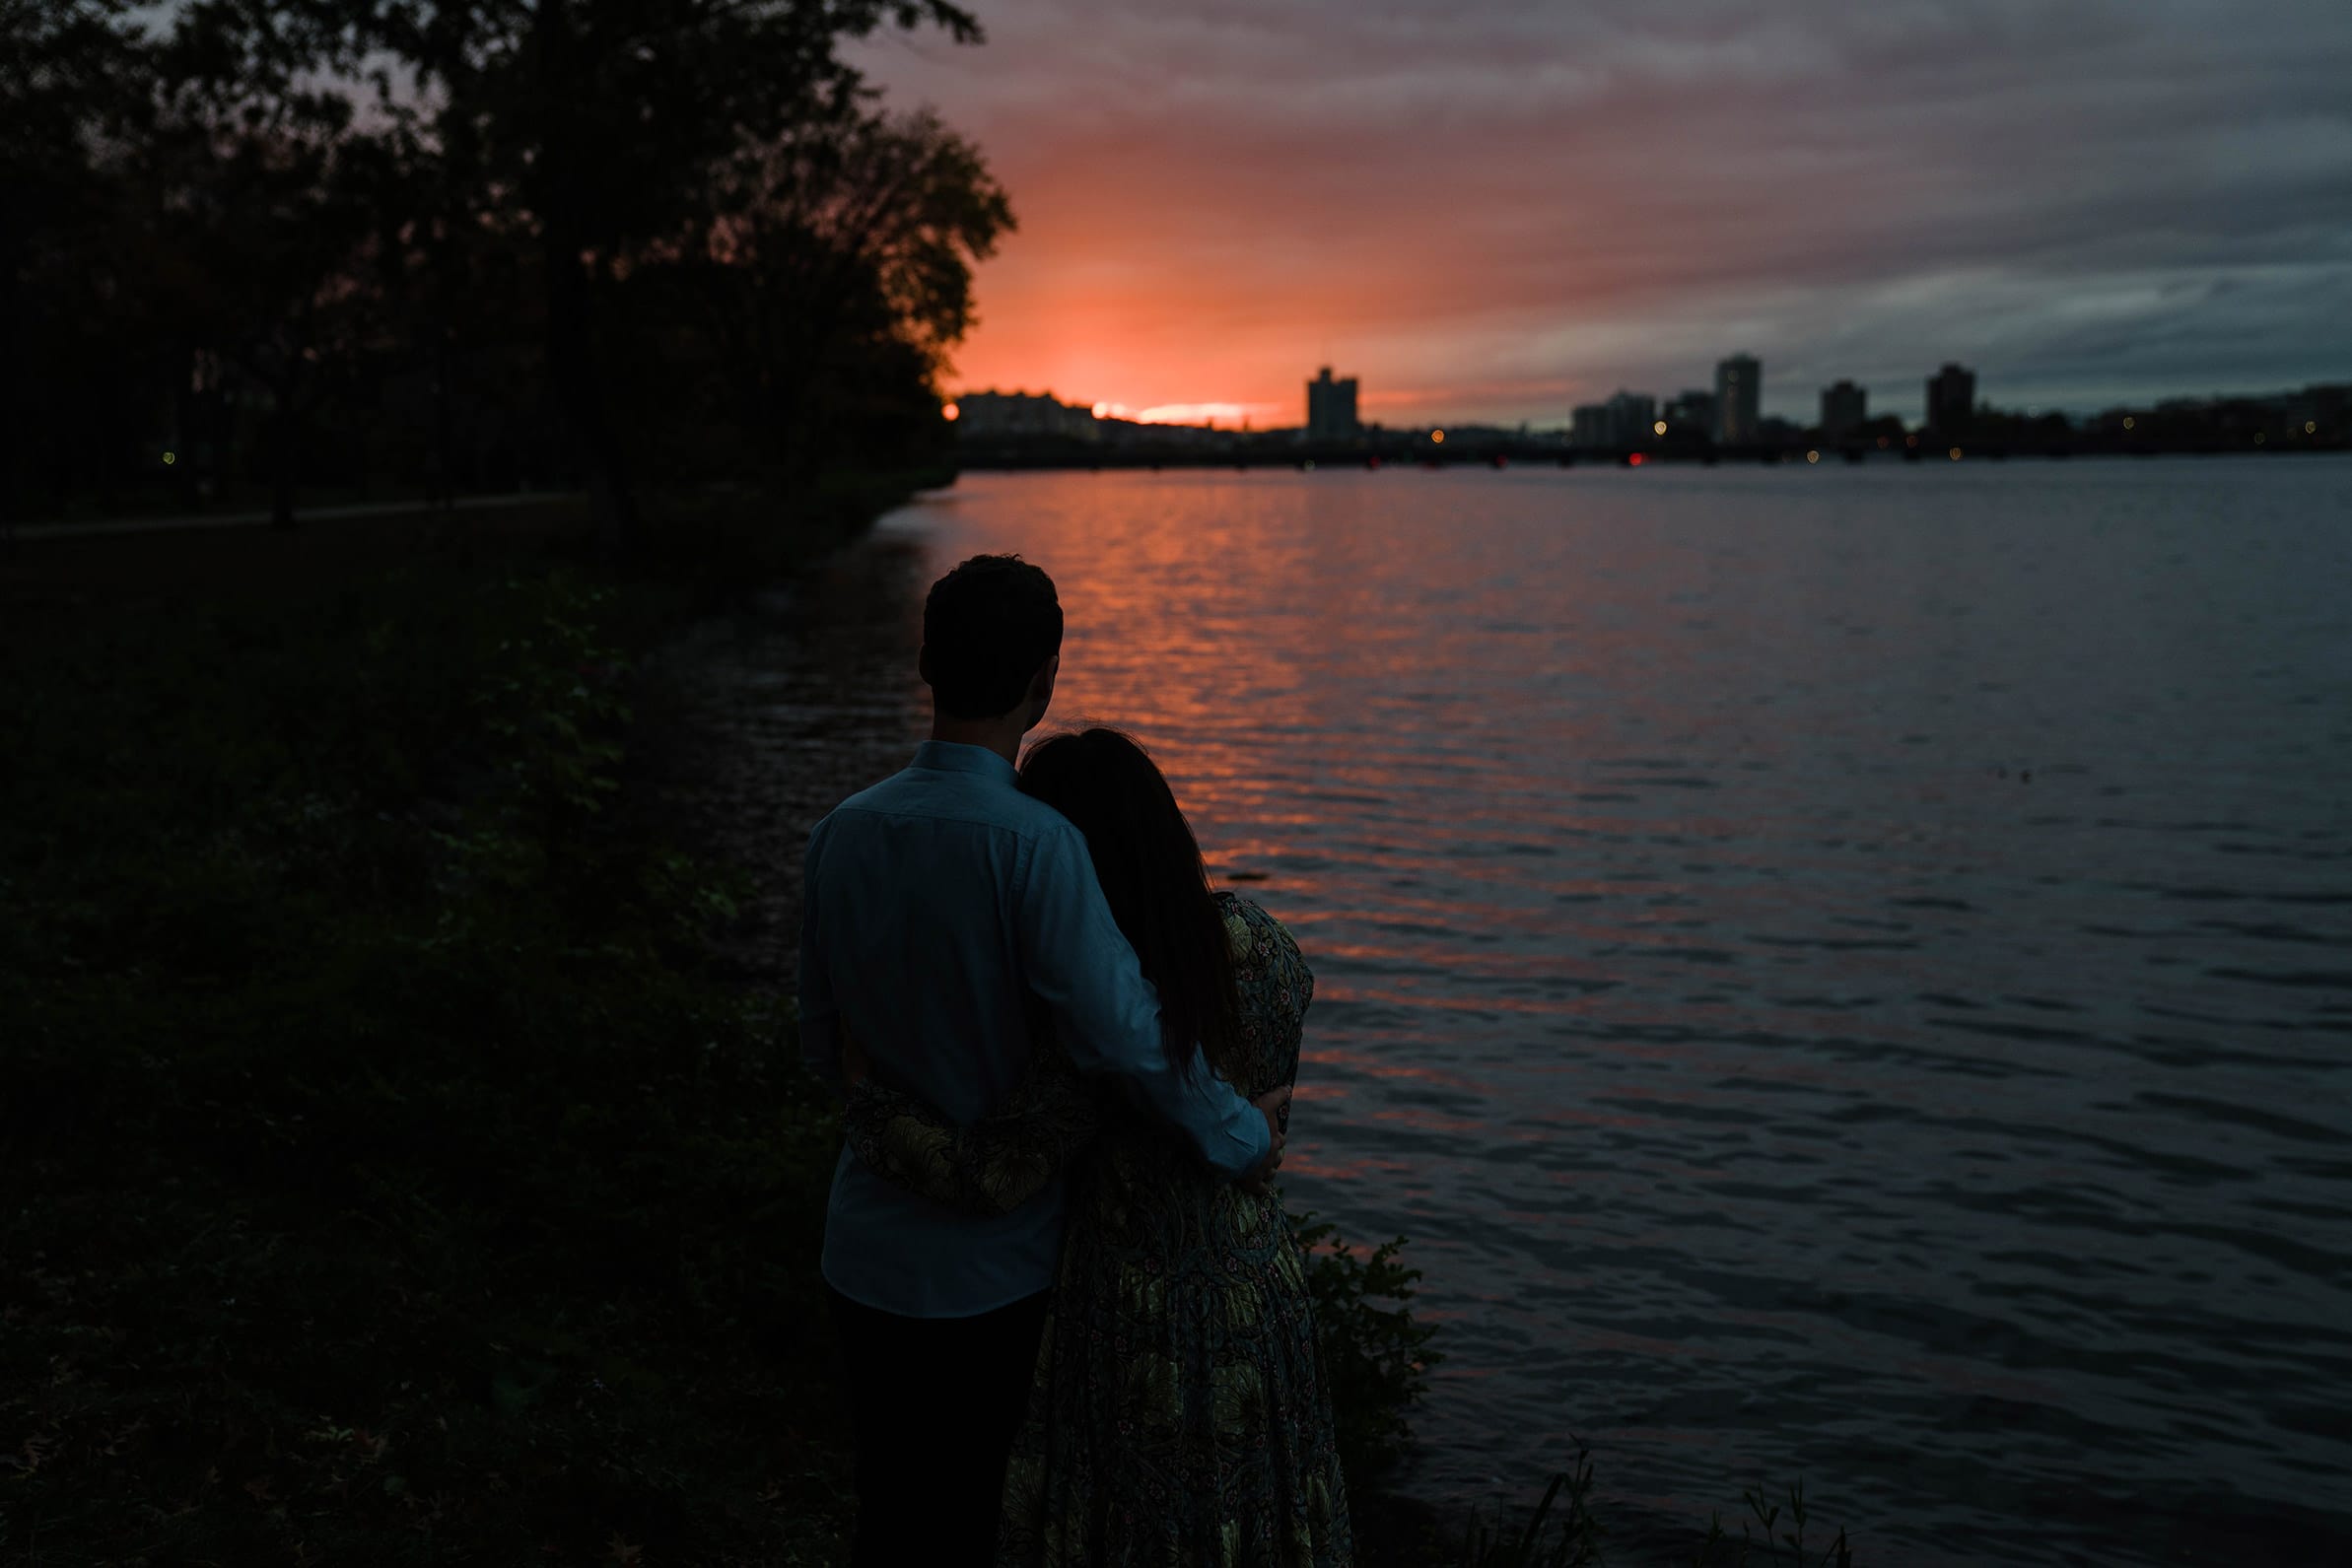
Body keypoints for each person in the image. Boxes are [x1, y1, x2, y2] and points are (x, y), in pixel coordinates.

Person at [797, 555, 1290, 1568]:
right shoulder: (1035, 844)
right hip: (989, 1272)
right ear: (1045, 679)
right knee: (972, 1516)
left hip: (861, 1246)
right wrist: (1245, 1135)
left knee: (888, 1507)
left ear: (927, 663)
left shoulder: (841, 832)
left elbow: (821, 1044)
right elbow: (1126, 1037)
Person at [842, 726, 1354, 1568]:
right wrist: (1260, 1129)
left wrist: (869, 1106)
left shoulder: (1094, 1017)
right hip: (1261, 1289)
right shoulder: (1262, 944)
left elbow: (995, 1172)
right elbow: (1276, 1075)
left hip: (1134, 1315)